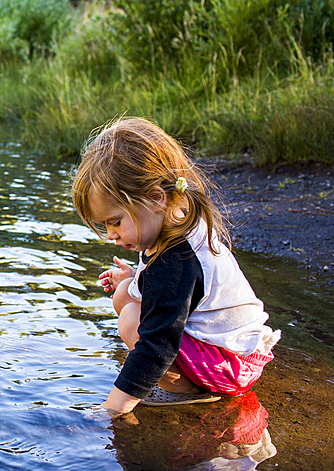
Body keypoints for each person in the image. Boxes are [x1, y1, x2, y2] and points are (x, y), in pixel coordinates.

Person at [71, 117, 280, 417]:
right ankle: (186, 380)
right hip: (232, 353)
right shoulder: (176, 225)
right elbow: (181, 295)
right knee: (124, 295)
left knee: (132, 320)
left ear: (156, 198)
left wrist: (112, 409)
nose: (111, 235)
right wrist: (134, 278)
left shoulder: (175, 260)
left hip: (231, 366)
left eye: (115, 222)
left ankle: (190, 391)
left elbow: (157, 345)